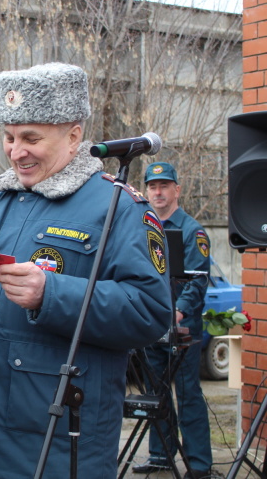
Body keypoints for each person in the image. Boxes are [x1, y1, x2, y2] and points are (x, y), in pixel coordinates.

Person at [0, 62, 172, 479]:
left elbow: (150, 312)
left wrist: (51, 293)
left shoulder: (117, 208)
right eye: (8, 137)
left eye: (31, 138)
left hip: (59, 445)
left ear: (74, 135)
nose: (15, 151)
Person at [133, 162, 213, 479]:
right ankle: (161, 456)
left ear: (176, 190)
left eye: (164, 186)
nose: (158, 191)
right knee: (157, 393)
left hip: (182, 329)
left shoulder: (193, 232)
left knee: (188, 393)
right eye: (152, 186)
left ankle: (199, 464)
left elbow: (197, 281)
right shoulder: (143, 230)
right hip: (151, 326)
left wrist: (176, 311)